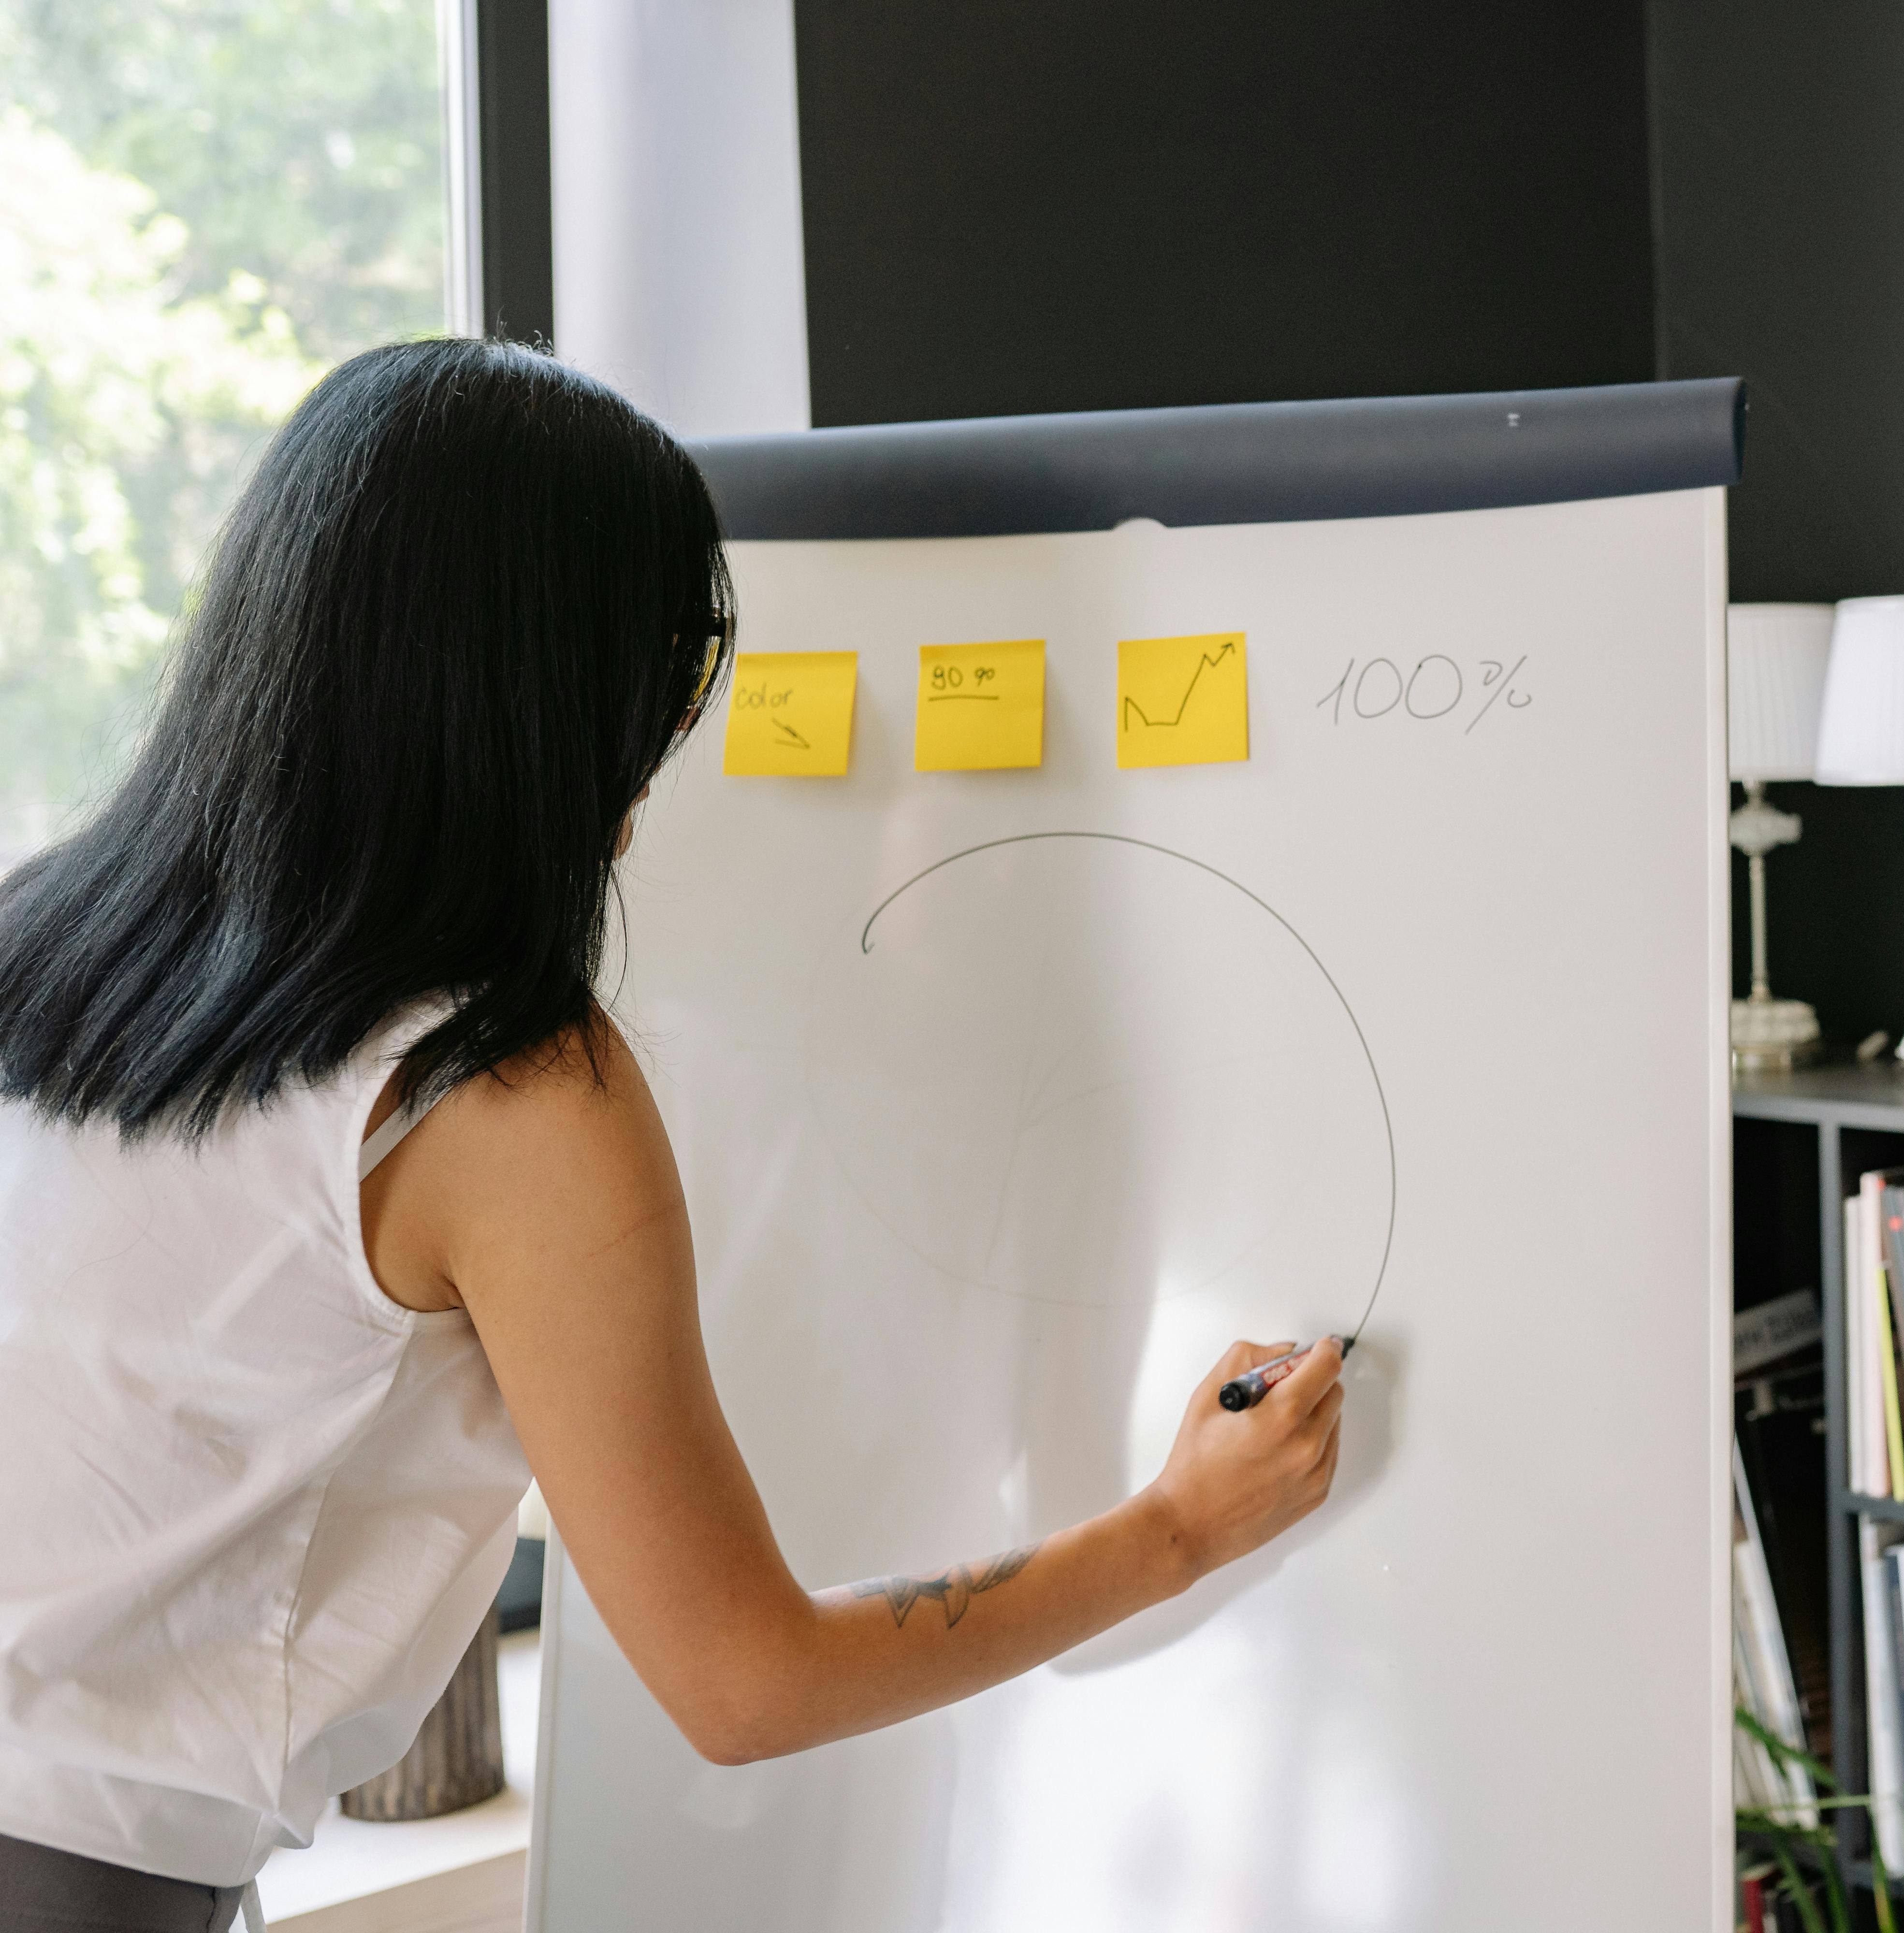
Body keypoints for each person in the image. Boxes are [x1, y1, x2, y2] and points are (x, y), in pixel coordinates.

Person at [0, 338, 1345, 1933]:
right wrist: (1181, 1527)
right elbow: (744, 1681)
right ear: (548, 704)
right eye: (663, 692)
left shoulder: (48, 941)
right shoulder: (499, 1092)